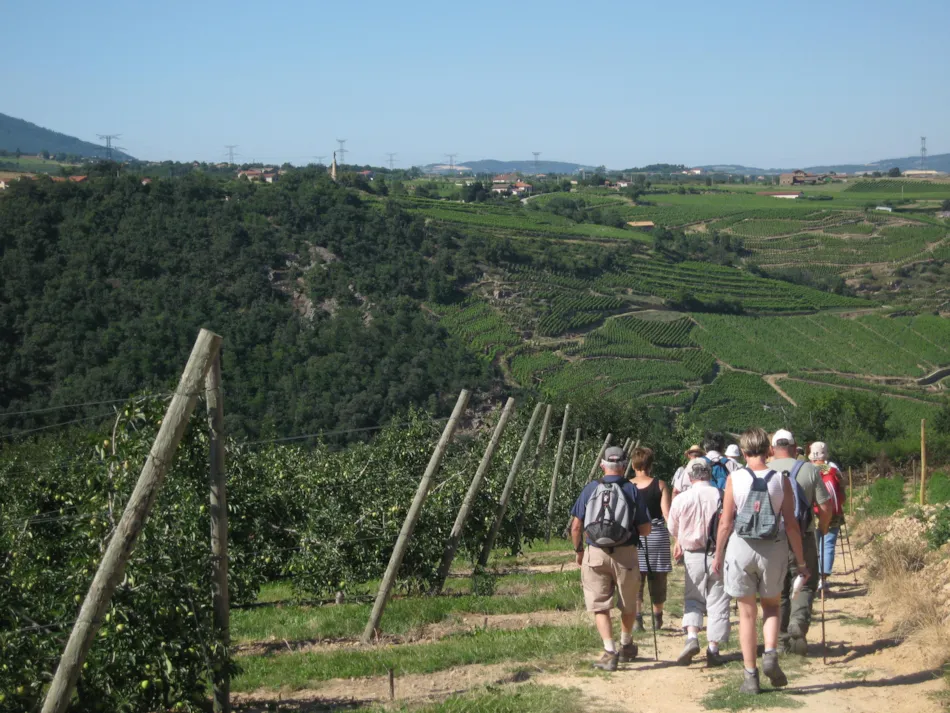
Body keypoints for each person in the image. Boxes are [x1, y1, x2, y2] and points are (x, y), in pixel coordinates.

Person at [713, 427, 811, 695]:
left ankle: (750, 676)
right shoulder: (782, 480)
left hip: (741, 547)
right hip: (774, 548)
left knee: (746, 614)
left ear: (744, 452)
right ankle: (770, 653)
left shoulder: (735, 478)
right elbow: (791, 524)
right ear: (768, 450)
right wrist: (800, 562)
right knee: (771, 607)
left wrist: (719, 554)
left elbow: (726, 522)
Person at [571, 446, 652, 671]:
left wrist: (579, 551)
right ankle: (626, 644)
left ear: (602, 465)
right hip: (625, 554)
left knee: (599, 604)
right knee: (628, 604)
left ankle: (610, 651)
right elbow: (645, 529)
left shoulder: (590, 489)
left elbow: (576, 526)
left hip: (595, 553)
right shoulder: (632, 490)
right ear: (625, 466)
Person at [770, 429, 832, 656]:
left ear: (772, 448)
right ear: (795, 446)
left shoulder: (763, 470)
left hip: (772, 540)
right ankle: (798, 622)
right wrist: (822, 528)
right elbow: (826, 507)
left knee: (779, 588)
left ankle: (781, 638)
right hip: (803, 535)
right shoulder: (809, 469)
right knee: (804, 582)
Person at [667, 457, 731, 667]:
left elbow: (672, 527)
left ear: (689, 476)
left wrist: (681, 540)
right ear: (709, 474)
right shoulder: (721, 496)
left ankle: (692, 637)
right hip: (717, 553)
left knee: (693, 597)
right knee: (718, 600)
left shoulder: (682, 499)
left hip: (692, 555)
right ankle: (713, 648)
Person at [629, 447, 672, 632]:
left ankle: (638, 619)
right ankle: (657, 617)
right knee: (658, 578)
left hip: (635, 536)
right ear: (651, 464)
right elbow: (667, 514)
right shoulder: (660, 485)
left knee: (636, 580)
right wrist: (676, 538)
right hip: (657, 536)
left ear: (633, 464)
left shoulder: (627, 486)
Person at [809, 442, 845, 593]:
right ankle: (822, 579)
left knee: (815, 546)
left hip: (814, 513)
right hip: (834, 512)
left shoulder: (809, 470)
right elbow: (842, 491)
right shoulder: (833, 470)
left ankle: (815, 577)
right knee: (828, 544)